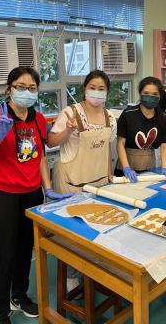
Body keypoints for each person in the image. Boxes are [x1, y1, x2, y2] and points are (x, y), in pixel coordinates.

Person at [0, 67, 69, 324]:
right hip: (0, 194)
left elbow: (40, 156)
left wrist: (47, 187)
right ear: (9, 89)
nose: (27, 92)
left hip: (31, 194)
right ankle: (0, 313)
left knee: (26, 250)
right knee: (4, 255)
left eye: (32, 88)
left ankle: (19, 296)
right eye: (21, 87)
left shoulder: (38, 119)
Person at [47, 69, 117, 293]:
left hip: (98, 182)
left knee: (97, 230)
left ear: (107, 92)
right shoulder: (70, 112)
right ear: (84, 89)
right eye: (92, 87)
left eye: (101, 88)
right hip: (71, 183)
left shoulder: (110, 117)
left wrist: (109, 175)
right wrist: (67, 131)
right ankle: (71, 275)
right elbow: (51, 141)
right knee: (72, 234)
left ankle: (94, 273)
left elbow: (106, 149)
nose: (96, 92)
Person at [115, 76, 166, 181]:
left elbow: (164, 145)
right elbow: (120, 144)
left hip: (149, 167)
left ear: (160, 96)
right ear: (140, 93)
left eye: (155, 94)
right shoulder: (128, 114)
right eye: (146, 93)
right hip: (126, 166)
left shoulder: (163, 118)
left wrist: (165, 167)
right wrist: (126, 168)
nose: (150, 97)